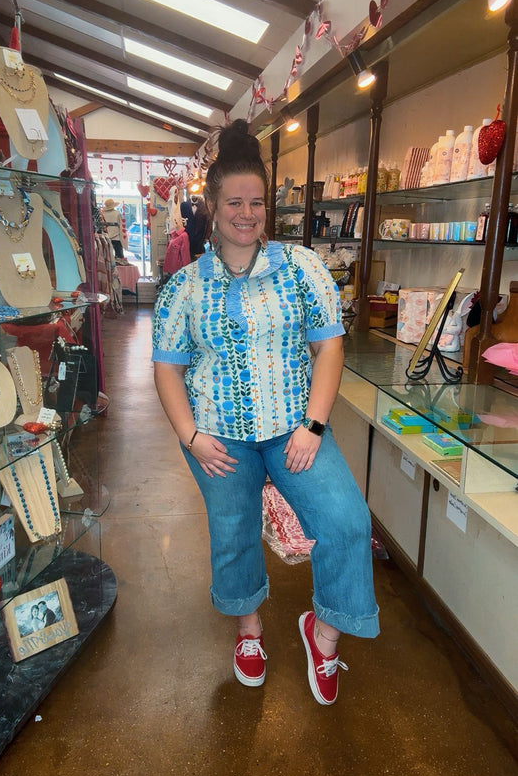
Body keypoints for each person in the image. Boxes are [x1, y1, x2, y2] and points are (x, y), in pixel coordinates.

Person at [152, 120, 379, 706]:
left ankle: (322, 633)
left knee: (347, 523)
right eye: (234, 202)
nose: (246, 213)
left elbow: (329, 347)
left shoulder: (302, 268)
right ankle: (249, 633)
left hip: (294, 430)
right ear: (212, 206)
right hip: (217, 437)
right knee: (234, 537)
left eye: (256, 202)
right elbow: (167, 368)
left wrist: (314, 424)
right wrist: (191, 435)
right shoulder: (184, 288)